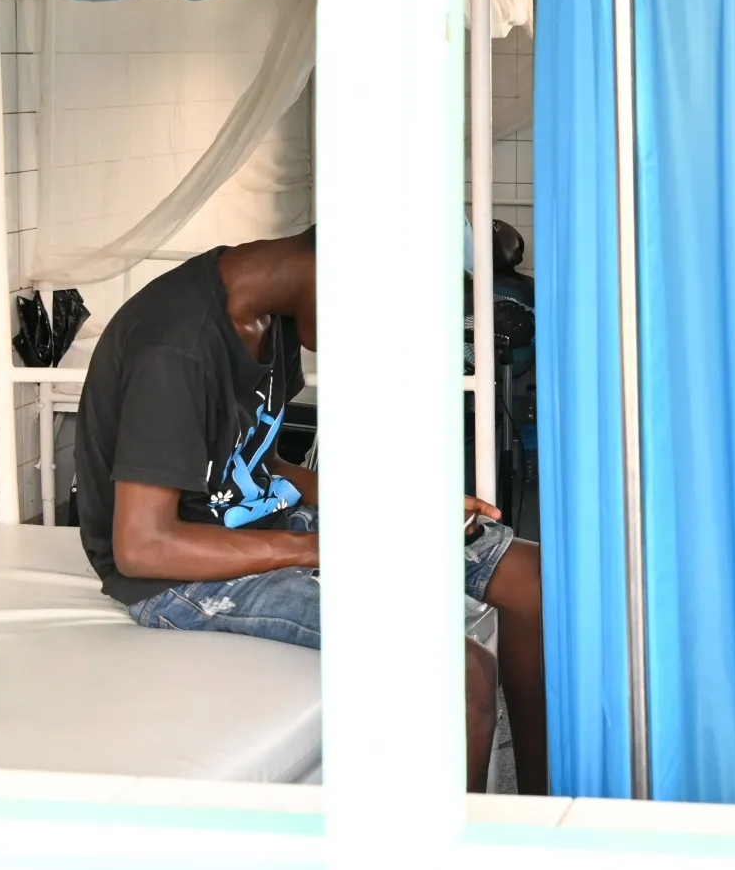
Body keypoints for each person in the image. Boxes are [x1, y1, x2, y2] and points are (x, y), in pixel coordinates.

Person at [72, 228, 547, 796]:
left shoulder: (271, 316)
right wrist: (333, 547)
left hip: (262, 525)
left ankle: (543, 815)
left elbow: (258, 464)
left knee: (534, 581)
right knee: (462, 678)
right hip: (182, 574)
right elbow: (143, 546)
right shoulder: (177, 349)